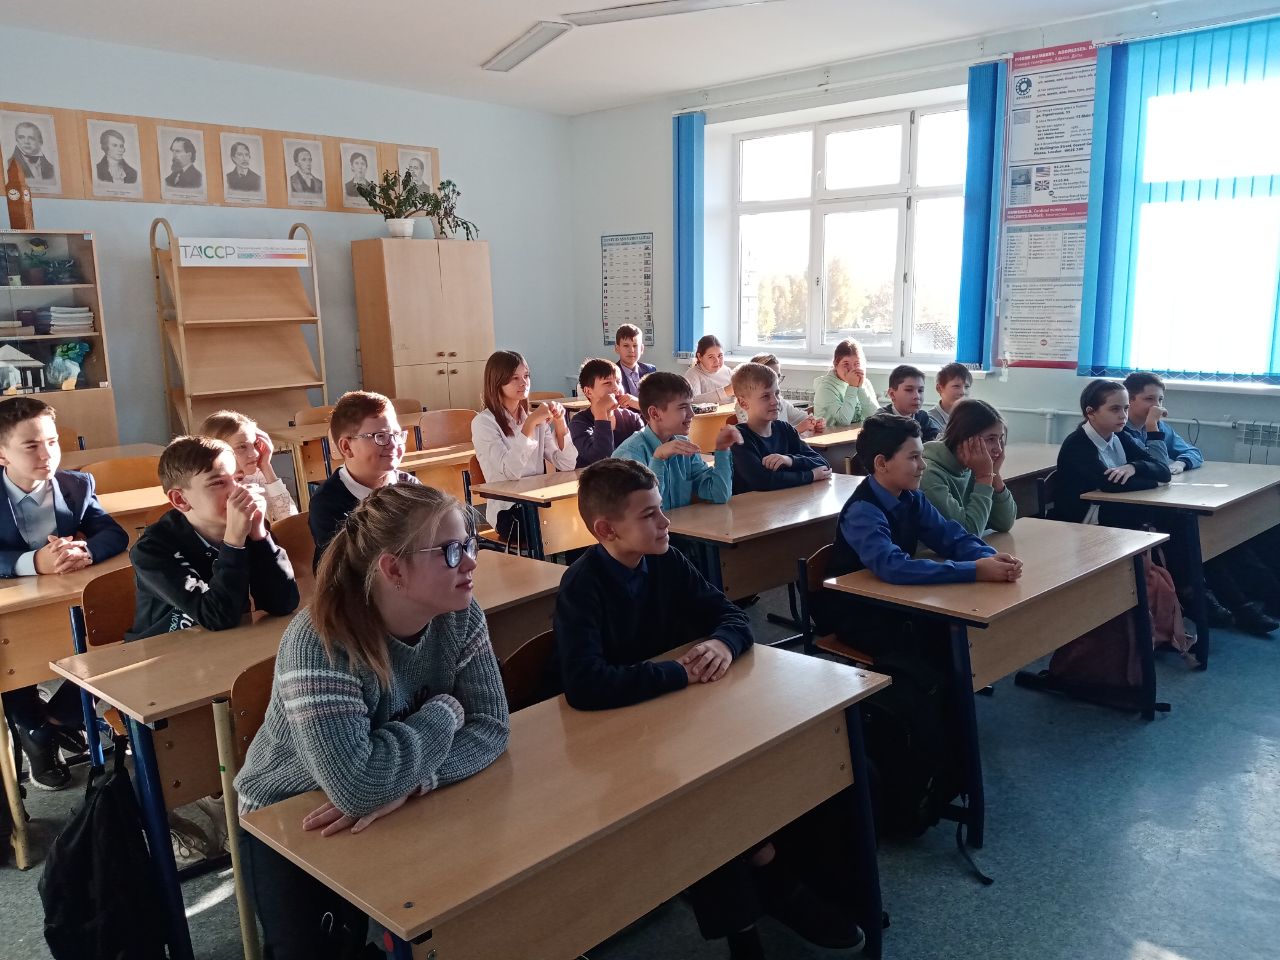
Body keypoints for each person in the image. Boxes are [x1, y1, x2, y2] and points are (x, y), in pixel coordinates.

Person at [555, 459, 864, 959]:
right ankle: (752, 916)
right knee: (702, 802)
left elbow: (731, 617)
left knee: (785, 764)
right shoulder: (582, 585)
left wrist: (721, 643)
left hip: (676, 718)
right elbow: (585, 685)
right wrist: (678, 673)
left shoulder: (666, 560)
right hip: (618, 743)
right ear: (606, 530)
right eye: (650, 515)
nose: (666, 522)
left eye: (661, 510)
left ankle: (787, 876)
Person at [235, 484, 509, 960]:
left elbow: (491, 726)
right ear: (393, 569)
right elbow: (358, 788)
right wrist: (445, 713)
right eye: (450, 551)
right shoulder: (320, 642)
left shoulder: (460, 614)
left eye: (470, 545)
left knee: (464, 915)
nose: (469, 563)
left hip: (393, 793)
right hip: (292, 814)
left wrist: (412, 782)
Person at [127, 435, 299, 859]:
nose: (237, 490)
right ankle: (174, 804)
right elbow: (216, 615)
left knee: (267, 697)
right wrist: (236, 542)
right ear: (180, 499)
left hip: (225, 654)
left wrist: (258, 536)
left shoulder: (240, 527)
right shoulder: (153, 549)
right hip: (164, 664)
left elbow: (283, 601)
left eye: (238, 478)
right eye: (219, 483)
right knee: (189, 745)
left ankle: (237, 790)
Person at [815, 413, 1021, 656]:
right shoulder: (863, 511)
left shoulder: (912, 497)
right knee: (939, 641)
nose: (923, 465)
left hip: (894, 599)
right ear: (881, 463)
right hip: (858, 611)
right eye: (914, 457)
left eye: (921, 455)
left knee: (952, 634)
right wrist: (975, 570)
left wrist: (989, 557)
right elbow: (893, 567)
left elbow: (949, 536)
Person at [0, 397, 127, 790]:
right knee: (15, 665)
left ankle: (54, 721)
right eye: (31, 446)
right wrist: (33, 562)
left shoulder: (75, 485)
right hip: (10, 611)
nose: (47, 455)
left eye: (52, 442)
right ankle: (33, 731)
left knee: (114, 641)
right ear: (2, 454)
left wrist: (86, 551)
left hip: (65, 597)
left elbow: (112, 533)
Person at [1121, 372, 1280, 635]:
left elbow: (1193, 452)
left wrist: (1181, 462)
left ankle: (1252, 600)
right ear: (1130, 399)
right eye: (1149, 399)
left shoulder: (1161, 427)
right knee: (1198, 536)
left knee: (1224, 532)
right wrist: (1153, 430)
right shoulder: (1123, 431)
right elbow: (1156, 465)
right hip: (1141, 510)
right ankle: (1235, 605)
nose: (1157, 405)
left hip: (1167, 499)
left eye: (1160, 399)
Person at [471, 351, 577, 540]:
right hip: (510, 510)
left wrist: (560, 422)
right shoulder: (483, 423)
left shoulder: (534, 419)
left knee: (580, 517)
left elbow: (567, 464)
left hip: (540, 503)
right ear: (497, 381)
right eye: (515, 378)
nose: (524, 382)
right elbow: (511, 472)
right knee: (563, 527)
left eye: (526, 376)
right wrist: (530, 424)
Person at [309, 391, 418, 566]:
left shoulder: (410, 487)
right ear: (347, 447)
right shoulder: (327, 503)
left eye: (397, 434)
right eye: (380, 436)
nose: (393, 444)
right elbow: (344, 569)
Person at [613, 371, 739, 510]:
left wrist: (722, 450)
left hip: (680, 524)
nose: (692, 413)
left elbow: (719, 494)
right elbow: (644, 510)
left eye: (691, 405)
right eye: (683, 407)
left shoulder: (683, 445)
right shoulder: (629, 455)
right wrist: (658, 459)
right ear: (655, 413)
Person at [1051, 379, 1170, 526]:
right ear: (1091, 412)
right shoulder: (1077, 444)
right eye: (1115, 409)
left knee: (1176, 514)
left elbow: (1163, 470)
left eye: (1126, 408)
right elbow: (1111, 484)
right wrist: (1156, 482)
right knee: (1163, 515)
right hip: (1083, 517)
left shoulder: (1120, 435)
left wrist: (1133, 467)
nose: (1123, 415)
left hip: (1111, 506)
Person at [730, 362, 831, 494]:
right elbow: (763, 481)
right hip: (754, 506)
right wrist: (810, 475)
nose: (775, 401)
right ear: (743, 403)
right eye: (765, 396)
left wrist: (789, 460)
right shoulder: (738, 438)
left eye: (777, 393)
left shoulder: (785, 429)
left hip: (787, 503)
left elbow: (822, 463)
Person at [921, 398, 1016, 536]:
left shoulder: (973, 465)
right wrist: (984, 477)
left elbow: (1005, 522)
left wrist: (994, 474)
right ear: (965, 439)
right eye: (991, 439)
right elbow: (967, 534)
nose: (999, 449)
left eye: (1000, 439)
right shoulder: (929, 475)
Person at [199, 409, 297, 523]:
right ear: (216, 451)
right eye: (242, 447)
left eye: (255, 444)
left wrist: (266, 466)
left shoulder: (256, 476)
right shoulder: (212, 488)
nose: (255, 454)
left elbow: (291, 521)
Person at [568, 358, 643, 468]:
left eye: (618, 382)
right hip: (594, 478)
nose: (616, 388)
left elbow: (651, 450)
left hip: (628, 477)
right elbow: (602, 460)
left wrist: (642, 406)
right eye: (607, 383)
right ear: (588, 392)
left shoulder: (631, 418)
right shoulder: (579, 423)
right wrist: (601, 412)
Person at [738, 353, 824, 436]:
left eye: (778, 376)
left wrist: (814, 422)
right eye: (771, 376)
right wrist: (797, 429)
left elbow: (800, 417)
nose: (776, 381)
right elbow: (764, 437)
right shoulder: (748, 405)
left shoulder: (779, 401)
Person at [812, 338, 878, 429]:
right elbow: (843, 421)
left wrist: (860, 387)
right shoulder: (825, 388)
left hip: (857, 435)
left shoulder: (864, 382)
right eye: (846, 364)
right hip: (831, 436)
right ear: (836, 364)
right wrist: (853, 386)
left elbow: (876, 416)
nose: (852, 369)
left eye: (857, 363)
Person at [881, 364, 939, 441]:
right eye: (909, 390)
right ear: (892, 394)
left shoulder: (923, 417)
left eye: (920, 390)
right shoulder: (880, 421)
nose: (917, 396)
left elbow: (936, 441)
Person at [614, 322, 656, 409]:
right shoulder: (611, 374)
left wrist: (635, 402)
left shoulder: (650, 370)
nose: (631, 350)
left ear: (642, 349)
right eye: (626, 346)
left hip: (649, 417)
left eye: (635, 345)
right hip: (624, 417)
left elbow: (658, 403)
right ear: (617, 348)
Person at [684, 334, 734, 404]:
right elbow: (692, 401)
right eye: (711, 357)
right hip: (710, 412)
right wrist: (726, 391)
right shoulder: (693, 374)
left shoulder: (728, 371)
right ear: (700, 357)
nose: (717, 361)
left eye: (720, 355)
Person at [929, 362, 972, 430]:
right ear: (939, 388)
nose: (963, 392)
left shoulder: (973, 415)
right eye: (956, 386)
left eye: (966, 387)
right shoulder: (930, 421)